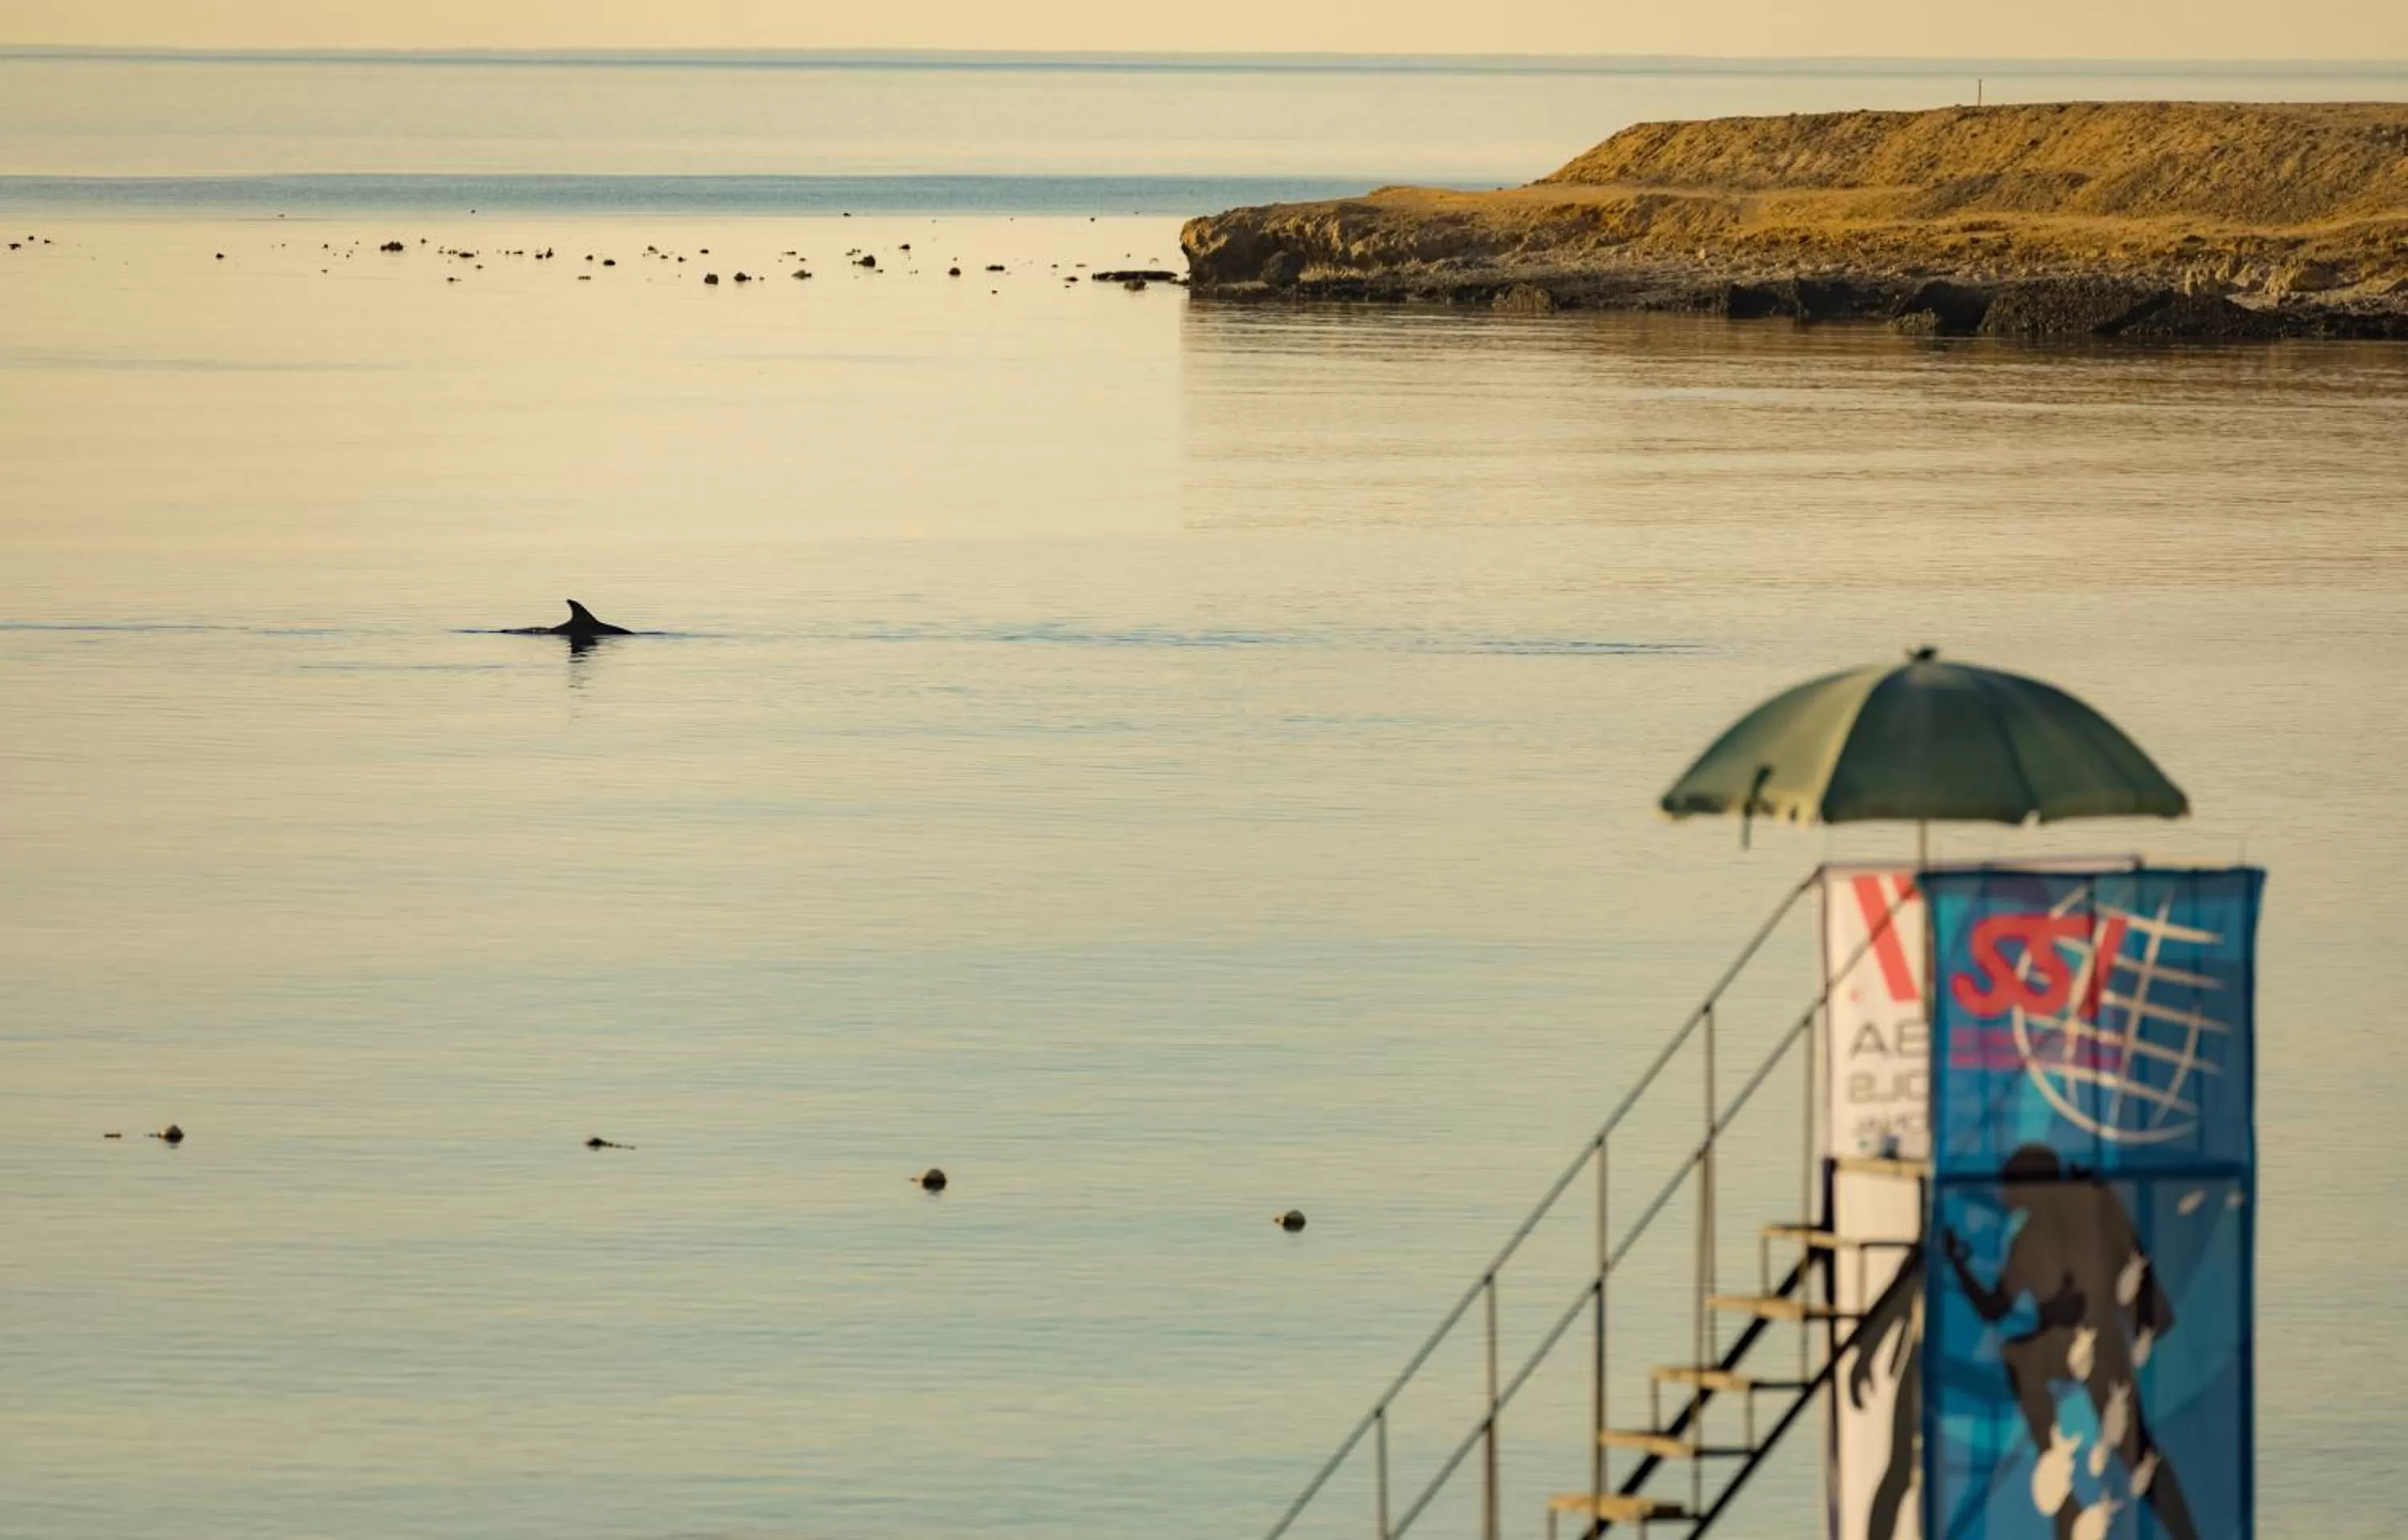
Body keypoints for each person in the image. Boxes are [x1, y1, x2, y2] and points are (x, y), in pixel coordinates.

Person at [1940, 1145, 2196, 1540]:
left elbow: (2122, 1261)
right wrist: (1959, 1265)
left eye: (2010, 1187)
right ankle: (2061, 1490)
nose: (2004, 1196)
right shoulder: (2034, 1235)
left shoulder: (2087, 1206)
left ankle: (2184, 1532)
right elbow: (1996, 1309)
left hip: (2100, 1345)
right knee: (2019, 1358)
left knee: (2137, 1454)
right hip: (2066, 1347)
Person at [1848, 1249, 1922, 1540]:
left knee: (1902, 1470)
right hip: (1925, 1369)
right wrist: (1865, 1355)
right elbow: (1897, 1300)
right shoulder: (1940, 1242)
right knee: (1901, 1469)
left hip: (1962, 1371)